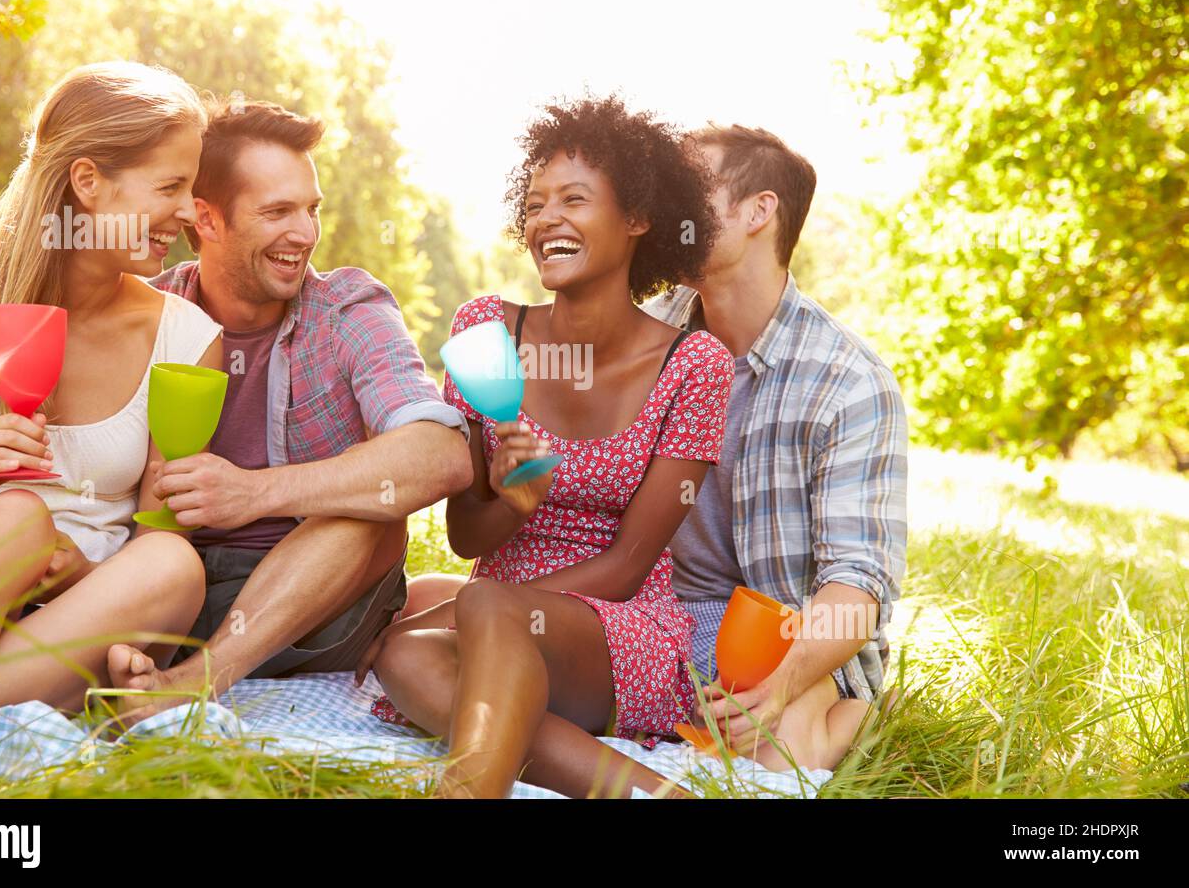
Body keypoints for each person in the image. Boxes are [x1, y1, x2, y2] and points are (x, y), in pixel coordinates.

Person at [359, 95, 735, 799]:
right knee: (405, 657)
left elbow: (628, 565)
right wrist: (511, 504)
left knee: (470, 619)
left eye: (573, 199)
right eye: (534, 204)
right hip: (497, 613)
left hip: (618, 629)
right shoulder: (487, 333)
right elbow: (468, 538)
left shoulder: (693, 364)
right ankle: (654, 795)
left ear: (637, 218)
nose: (546, 220)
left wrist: (473, 610)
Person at [104, 97, 474, 720]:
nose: (304, 233)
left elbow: (442, 455)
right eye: (278, 211)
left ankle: (199, 680)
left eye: (311, 209)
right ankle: (140, 660)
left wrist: (255, 493)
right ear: (207, 219)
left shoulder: (348, 309)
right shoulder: (147, 310)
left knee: (370, 505)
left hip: (322, 605)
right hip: (171, 586)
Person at [0, 61, 221, 749]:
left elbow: (160, 533)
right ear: (89, 182)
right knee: (15, 517)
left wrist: (84, 572)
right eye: (172, 187)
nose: (190, 214)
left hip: (70, 616)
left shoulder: (186, 339)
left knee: (174, 565)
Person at [644, 124, 908, 770]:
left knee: (774, 755)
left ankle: (847, 714)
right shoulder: (648, 333)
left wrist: (780, 685)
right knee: (442, 614)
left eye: (691, 191)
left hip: (780, 641)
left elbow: (857, 584)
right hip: (647, 613)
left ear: (759, 211)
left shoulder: (848, 381)